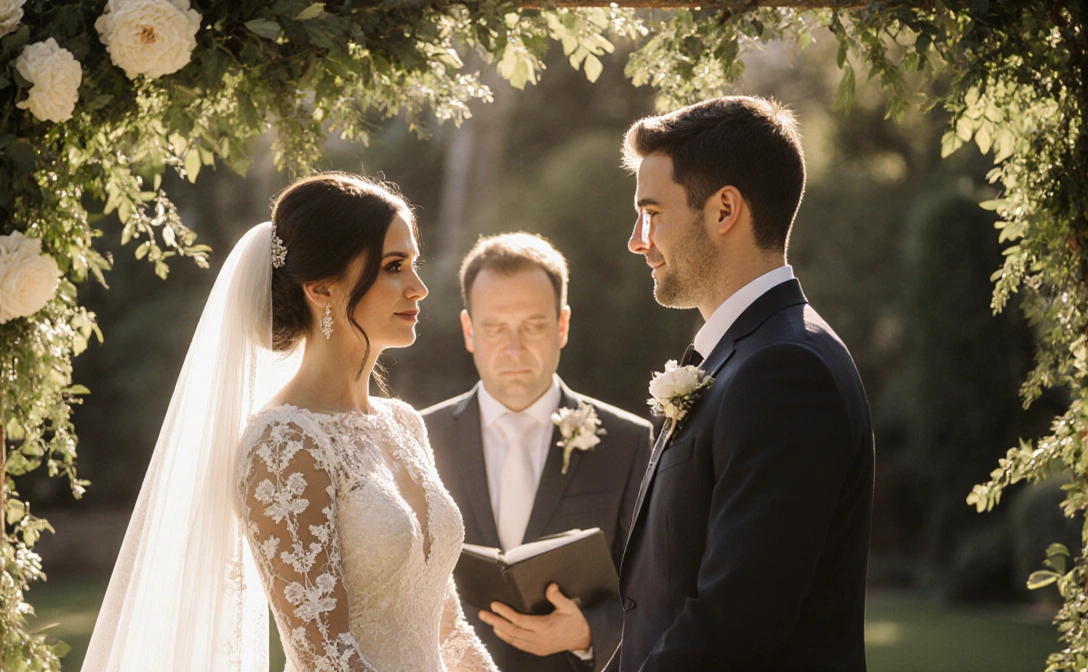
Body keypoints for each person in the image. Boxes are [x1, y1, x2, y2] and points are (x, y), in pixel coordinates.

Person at [83, 173, 498, 672]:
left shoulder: (404, 424)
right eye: (394, 267)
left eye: (413, 264)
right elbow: (326, 654)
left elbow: (446, 629)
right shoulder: (283, 443)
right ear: (321, 288)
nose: (419, 287)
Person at [605, 97, 875, 672]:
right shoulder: (744, 358)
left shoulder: (785, 371)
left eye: (651, 212)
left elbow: (736, 623)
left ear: (724, 209)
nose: (637, 239)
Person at [423, 233, 653, 672]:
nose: (514, 349)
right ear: (469, 330)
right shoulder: (419, 436)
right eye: (494, 328)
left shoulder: (627, 442)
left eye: (533, 326)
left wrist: (590, 631)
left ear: (562, 325)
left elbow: (658, 592)